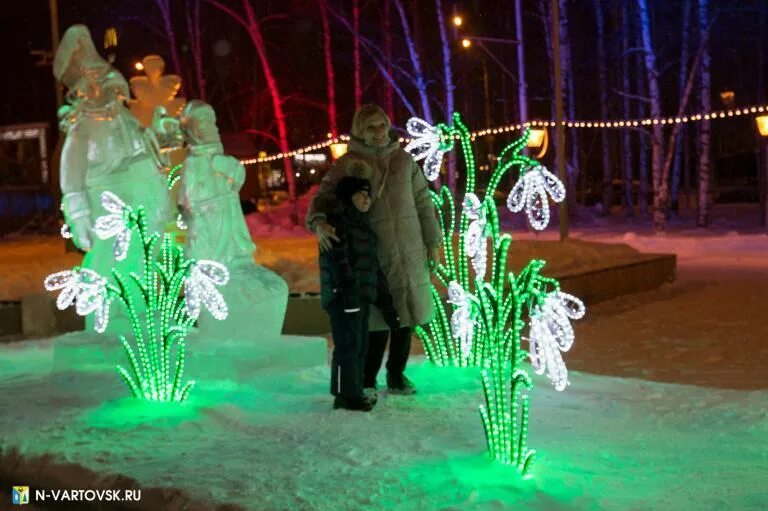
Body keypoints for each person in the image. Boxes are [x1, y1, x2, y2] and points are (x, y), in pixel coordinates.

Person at [307, 104, 441, 401]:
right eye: (371, 127)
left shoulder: (404, 162)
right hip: (374, 253)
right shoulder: (349, 164)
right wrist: (319, 222)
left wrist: (432, 242)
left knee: (406, 316)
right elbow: (324, 197)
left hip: (409, 251)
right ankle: (368, 377)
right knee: (378, 319)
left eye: (382, 125)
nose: (379, 133)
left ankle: (396, 374)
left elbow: (423, 203)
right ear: (359, 131)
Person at [319, 169, 400, 411]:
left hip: (361, 298)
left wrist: (386, 304)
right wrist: (348, 296)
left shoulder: (365, 230)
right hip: (343, 298)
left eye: (368, 194)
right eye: (361, 194)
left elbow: (374, 270)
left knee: (359, 344)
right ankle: (345, 395)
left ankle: (351, 391)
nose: (367, 199)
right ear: (348, 197)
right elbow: (339, 264)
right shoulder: (338, 226)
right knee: (347, 346)